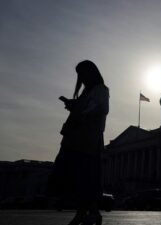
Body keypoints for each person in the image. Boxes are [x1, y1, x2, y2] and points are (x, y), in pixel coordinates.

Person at [48, 60, 109, 225]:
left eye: (82, 73)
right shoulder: (86, 92)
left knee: (85, 178)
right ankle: (88, 213)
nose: (81, 77)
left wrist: (79, 110)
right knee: (79, 179)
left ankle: (87, 213)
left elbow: (97, 109)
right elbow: (86, 108)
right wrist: (72, 104)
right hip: (75, 138)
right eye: (79, 74)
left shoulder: (101, 90)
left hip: (87, 140)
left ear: (91, 72)